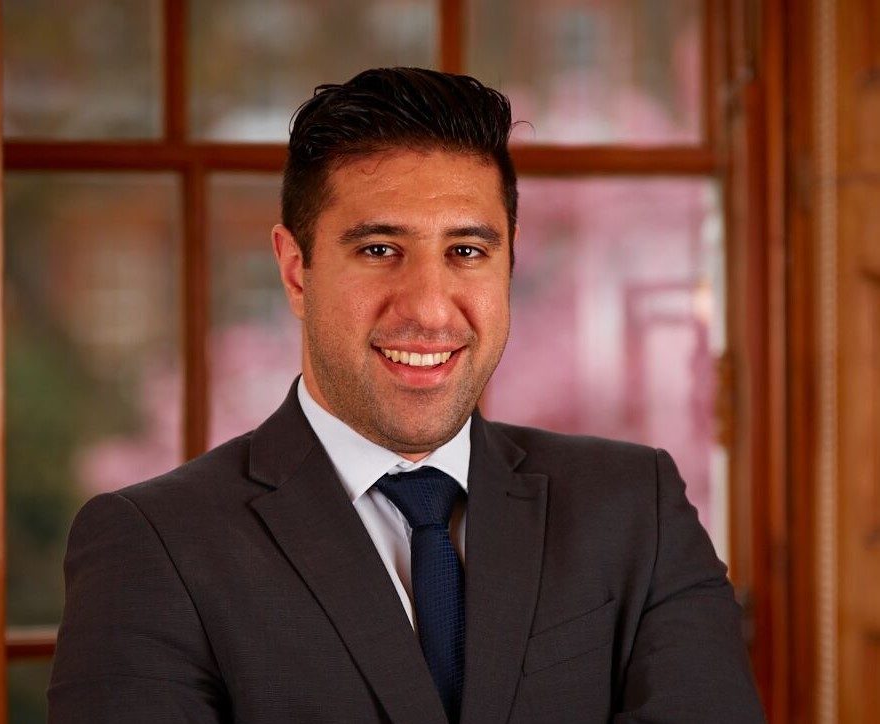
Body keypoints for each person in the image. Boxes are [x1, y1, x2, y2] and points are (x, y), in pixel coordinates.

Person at [48, 67, 765, 724]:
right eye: (378, 250)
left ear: (509, 262)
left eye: (466, 252)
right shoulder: (152, 544)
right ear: (296, 271)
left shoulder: (635, 506)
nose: (428, 307)